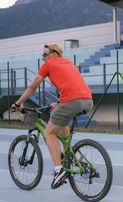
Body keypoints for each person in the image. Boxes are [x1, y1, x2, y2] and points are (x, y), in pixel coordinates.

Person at [11, 44, 93, 190]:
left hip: (71, 101)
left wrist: (18, 104)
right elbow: (71, 84)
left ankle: (58, 170)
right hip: (87, 100)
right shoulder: (68, 62)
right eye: (42, 55)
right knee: (61, 124)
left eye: (45, 54)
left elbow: (32, 87)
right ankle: (68, 158)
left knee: (49, 132)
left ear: (55, 53)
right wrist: (60, 102)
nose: (43, 58)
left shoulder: (48, 65)